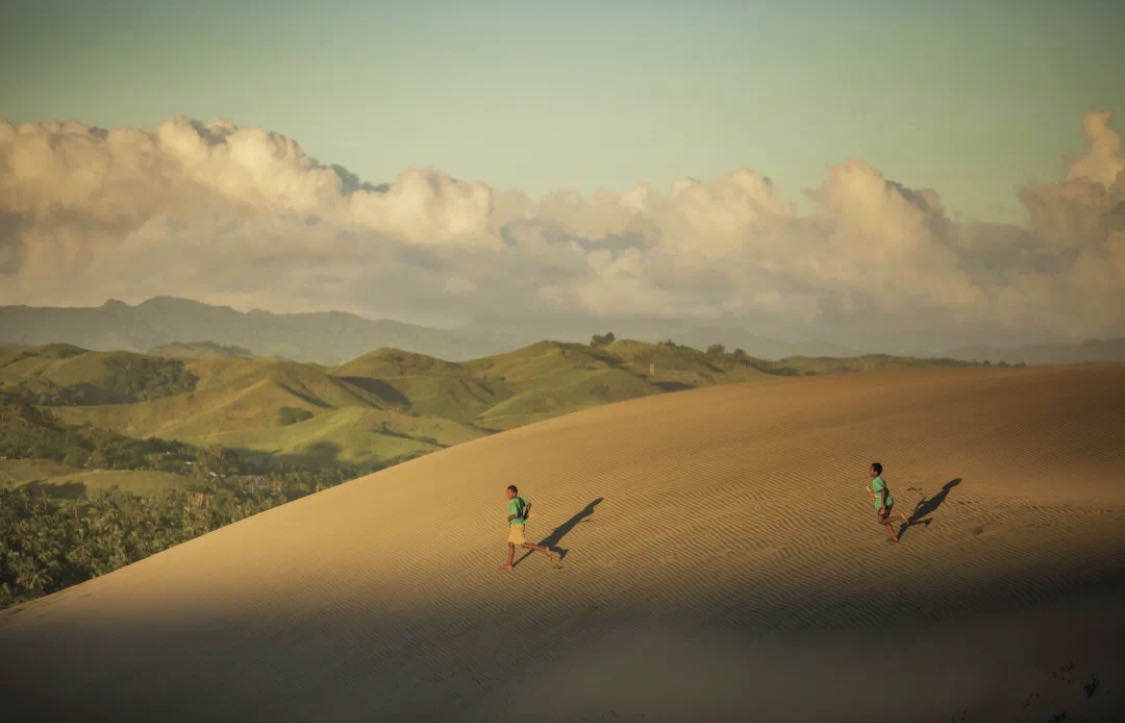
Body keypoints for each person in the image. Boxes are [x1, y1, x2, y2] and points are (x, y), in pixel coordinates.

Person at [502, 484, 553, 570]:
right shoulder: (519, 499)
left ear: (514, 493)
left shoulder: (512, 502)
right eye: (507, 493)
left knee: (523, 544)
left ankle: (544, 549)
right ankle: (509, 565)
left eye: (509, 493)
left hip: (516, 526)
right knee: (511, 544)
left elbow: (516, 514)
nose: (507, 494)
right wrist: (525, 514)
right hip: (518, 524)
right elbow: (529, 504)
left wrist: (509, 518)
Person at [869, 462, 907, 542]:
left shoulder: (875, 481)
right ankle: (894, 537)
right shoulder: (880, 479)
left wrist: (882, 504)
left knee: (881, 521)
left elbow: (882, 491)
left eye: (871, 470)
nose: (869, 471)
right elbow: (884, 490)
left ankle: (899, 517)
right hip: (888, 502)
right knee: (886, 520)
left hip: (884, 504)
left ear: (875, 472)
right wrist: (875, 496)